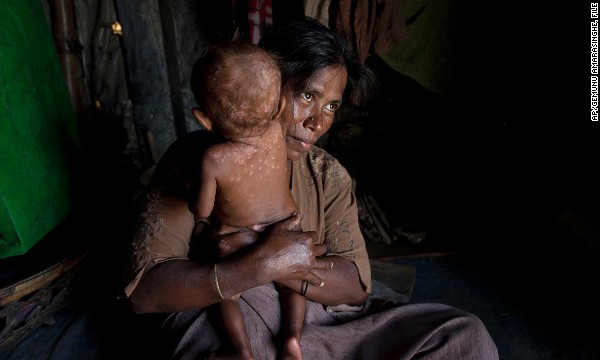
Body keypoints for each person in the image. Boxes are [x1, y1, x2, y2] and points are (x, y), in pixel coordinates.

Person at [122, 16, 499, 360]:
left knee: (463, 337)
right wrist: (252, 269)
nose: (318, 121)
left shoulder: (327, 173)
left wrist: (279, 263)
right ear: (268, 84)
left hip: (318, 324)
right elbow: (145, 293)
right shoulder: (194, 158)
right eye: (307, 96)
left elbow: (354, 285)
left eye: (332, 106)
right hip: (238, 315)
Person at [183, 39, 308, 360]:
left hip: (237, 236)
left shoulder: (214, 158)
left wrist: (191, 189)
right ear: (280, 107)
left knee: (226, 294)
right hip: (286, 223)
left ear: (204, 119)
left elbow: (203, 209)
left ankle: (241, 351)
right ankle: (292, 338)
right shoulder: (277, 131)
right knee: (291, 284)